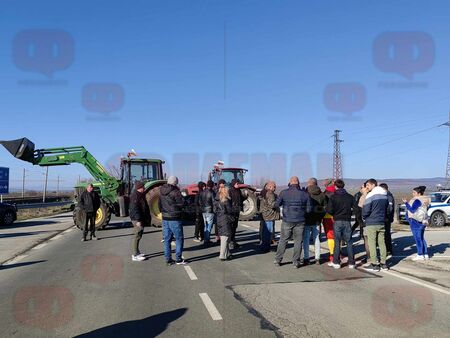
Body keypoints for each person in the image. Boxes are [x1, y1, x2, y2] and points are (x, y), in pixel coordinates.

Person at [274, 176, 312, 268]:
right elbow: (309, 209)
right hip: (300, 220)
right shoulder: (305, 194)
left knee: (283, 240)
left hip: (287, 220)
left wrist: (282, 212)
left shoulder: (284, 193)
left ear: (290, 183)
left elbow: (276, 205)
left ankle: (278, 260)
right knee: (298, 241)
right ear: (298, 183)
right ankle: (295, 262)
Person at [326, 179, 355, 269]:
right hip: (347, 221)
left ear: (335, 186)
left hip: (337, 221)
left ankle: (336, 262)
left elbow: (329, 210)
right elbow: (355, 209)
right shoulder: (350, 197)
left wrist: (335, 214)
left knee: (337, 241)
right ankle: (351, 263)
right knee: (349, 241)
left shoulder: (333, 197)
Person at [362, 179, 389, 271]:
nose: (367, 187)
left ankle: (374, 264)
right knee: (382, 243)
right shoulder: (385, 195)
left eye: (368, 185)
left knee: (372, 243)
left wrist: (364, 217)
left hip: (371, 222)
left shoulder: (370, 195)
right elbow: (387, 209)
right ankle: (383, 263)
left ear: (372, 185)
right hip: (381, 222)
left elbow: (366, 210)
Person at [158, 176, 186, 266]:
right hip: (175, 217)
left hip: (165, 217)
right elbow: (181, 203)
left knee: (167, 239)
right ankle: (178, 259)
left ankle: (168, 259)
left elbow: (159, 204)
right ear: (175, 183)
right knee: (179, 238)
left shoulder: (161, 191)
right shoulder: (175, 192)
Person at [403, 186, 430, 261]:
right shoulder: (426, 199)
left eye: (414, 192)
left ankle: (420, 254)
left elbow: (412, 210)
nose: (413, 194)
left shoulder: (417, 200)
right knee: (421, 237)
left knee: (417, 238)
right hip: (423, 220)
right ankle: (425, 254)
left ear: (419, 193)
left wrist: (406, 203)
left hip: (415, 221)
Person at [304, 178, 326, 264]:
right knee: (316, 239)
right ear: (316, 184)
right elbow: (325, 208)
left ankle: (306, 258)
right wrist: (320, 217)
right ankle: (317, 258)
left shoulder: (305, 193)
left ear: (309, 184)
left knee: (305, 239)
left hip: (307, 219)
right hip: (317, 220)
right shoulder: (322, 195)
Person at [129, 181, 151, 261]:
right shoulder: (135, 196)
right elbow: (135, 208)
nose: (144, 189)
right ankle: (135, 255)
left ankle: (137, 252)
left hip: (140, 218)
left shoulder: (139, 195)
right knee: (137, 235)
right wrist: (138, 220)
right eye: (143, 187)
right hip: (137, 219)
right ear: (139, 188)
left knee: (139, 235)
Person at [259, 181, 280, 253]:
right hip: (269, 215)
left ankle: (264, 246)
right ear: (270, 187)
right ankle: (266, 247)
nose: (275, 188)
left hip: (265, 214)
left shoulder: (264, 192)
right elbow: (272, 205)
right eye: (274, 187)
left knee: (265, 231)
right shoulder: (270, 194)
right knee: (268, 232)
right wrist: (278, 203)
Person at [214, 185, 233, 260]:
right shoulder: (226, 201)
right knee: (225, 238)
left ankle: (227, 253)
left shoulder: (216, 200)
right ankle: (222, 255)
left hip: (219, 219)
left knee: (225, 237)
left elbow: (215, 210)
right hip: (225, 220)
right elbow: (229, 211)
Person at [380, 183, 395, 257]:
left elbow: (390, 208)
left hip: (387, 219)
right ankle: (386, 249)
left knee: (386, 235)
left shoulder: (388, 196)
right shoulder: (386, 195)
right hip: (385, 218)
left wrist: (385, 215)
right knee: (385, 235)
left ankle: (389, 250)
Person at [322, 179, 335, 263]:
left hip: (327, 217)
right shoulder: (337, 192)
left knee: (330, 236)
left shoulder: (324, 194)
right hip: (338, 216)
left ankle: (332, 254)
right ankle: (338, 252)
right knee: (338, 236)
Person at [229, 179, 244, 249]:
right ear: (233, 184)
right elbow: (228, 202)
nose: (238, 185)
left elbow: (240, 200)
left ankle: (233, 240)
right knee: (231, 227)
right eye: (237, 184)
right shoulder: (230, 191)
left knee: (235, 226)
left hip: (237, 211)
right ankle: (231, 241)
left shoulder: (238, 191)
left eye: (238, 184)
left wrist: (245, 197)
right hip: (232, 211)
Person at [200, 180, 215, 245]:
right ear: (212, 185)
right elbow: (214, 203)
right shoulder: (212, 193)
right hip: (210, 211)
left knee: (206, 226)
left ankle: (206, 239)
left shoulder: (202, 192)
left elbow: (200, 202)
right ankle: (207, 240)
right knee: (209, 226)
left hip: (204, 211)